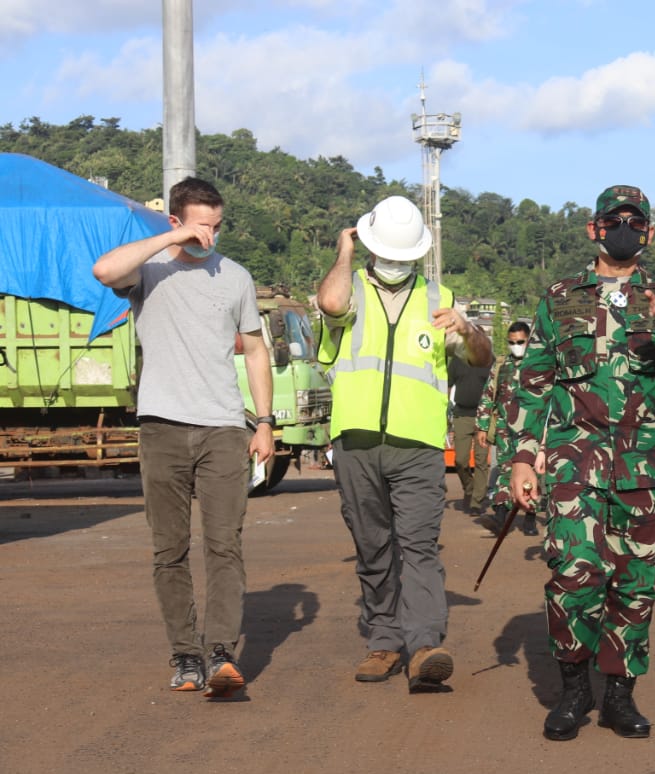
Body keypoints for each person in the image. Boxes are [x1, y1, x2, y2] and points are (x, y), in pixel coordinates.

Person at [509, 185, 655, 741]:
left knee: (634, 583)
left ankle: (620, 695)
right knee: (573, 576)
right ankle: (573, 691)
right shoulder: (560, 297)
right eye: (613, 219)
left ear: (649, 233)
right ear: (593, 229)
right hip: (576, 463)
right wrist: (524, 458)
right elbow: (533, 383)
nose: (624, 228)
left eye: (635, 221)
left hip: (643, 468)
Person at [92, 177, 273, 699]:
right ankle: (185, 656)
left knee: (224, 544)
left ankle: (220, 653)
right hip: (162, 427)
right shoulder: (148, 271)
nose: (210, 235)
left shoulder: (235, 277)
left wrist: (263, 422)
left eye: (216, 226)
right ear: (175, 220)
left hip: (221, 426)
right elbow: (104, 270)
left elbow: (256, 351)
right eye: (200, 225)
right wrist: (170, 241)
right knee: (169, 549)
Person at [316, 195, 493, 690]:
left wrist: (467, 327)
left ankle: (424, 645)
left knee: (418, 546)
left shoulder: (440, 298)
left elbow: (481, 357)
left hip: (417, 444)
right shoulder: (347, 289)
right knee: (372, 544)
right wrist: (343, 253)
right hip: (355, 440)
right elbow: (329, 305)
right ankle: (384, 640)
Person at [475, 321, 539, 536]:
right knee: (504, 469)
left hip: (532, 428)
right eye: (512, 342)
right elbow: (488, 395)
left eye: (521, 342)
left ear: (529, 339)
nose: (516, 346)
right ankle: (500, 517)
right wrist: (482, 426)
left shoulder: (540, 363)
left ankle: (530, 517)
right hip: (504, 427)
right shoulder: (501, 365)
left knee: (531, 474)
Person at [448, 354, 493, 515]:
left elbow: (496, 387)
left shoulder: (489, 360)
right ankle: (469, 488)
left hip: (484, 417)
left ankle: (477, 501)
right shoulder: (457, 361)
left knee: (481, 461)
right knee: (460, 460)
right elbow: (447, 384)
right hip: (462, 415)